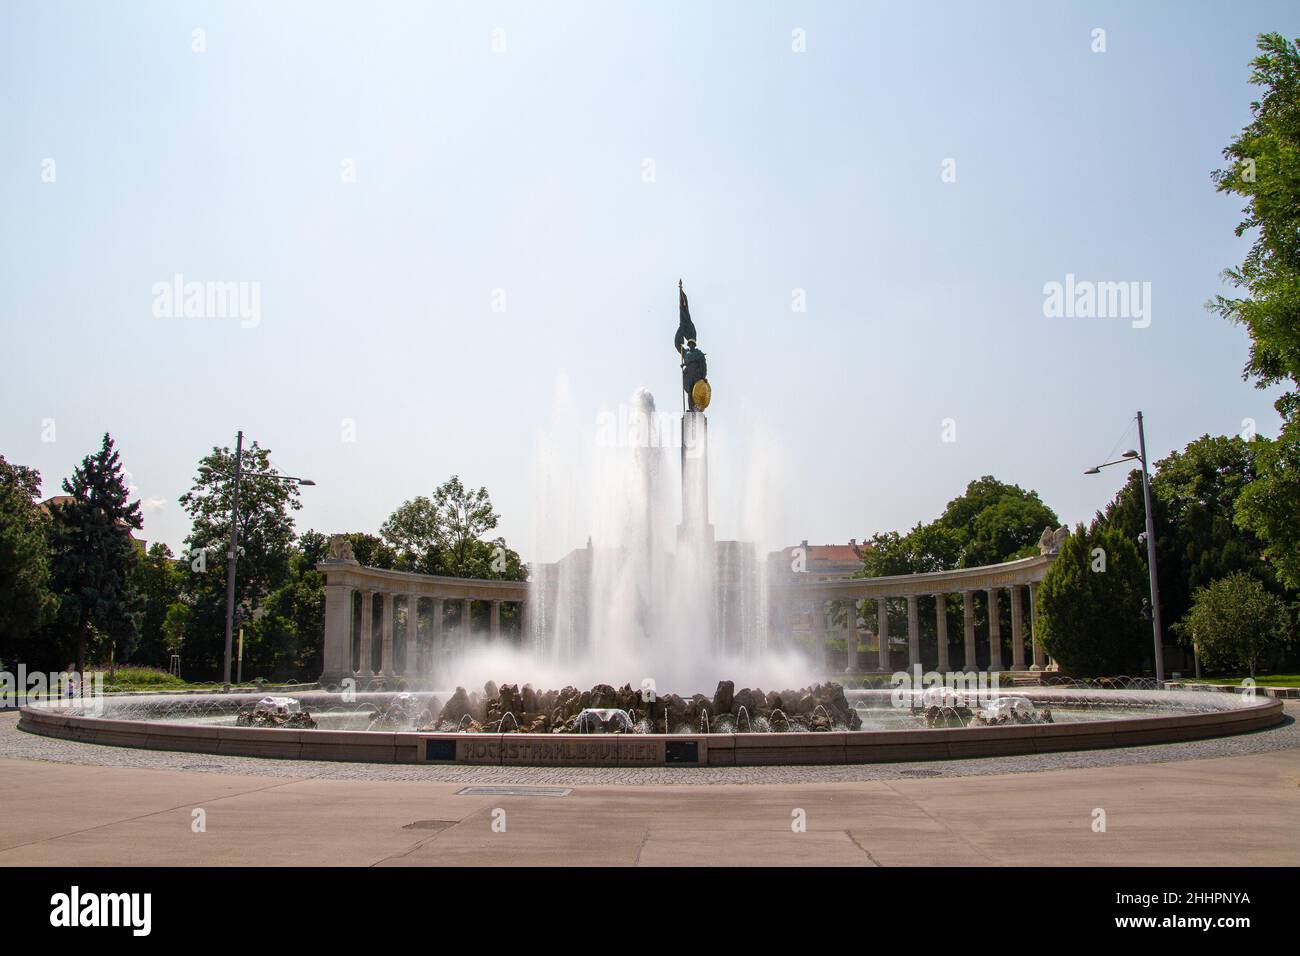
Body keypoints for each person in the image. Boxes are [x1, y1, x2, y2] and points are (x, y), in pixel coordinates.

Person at [682, 338, 707, 410]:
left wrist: (703, 376)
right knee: (690, 393)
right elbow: (677, 345)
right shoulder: (686, 353)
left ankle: (697, 408)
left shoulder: (699, 353)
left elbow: (703, 365)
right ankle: (691, 408)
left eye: (692, 344)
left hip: (697, 376)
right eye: (689, 344)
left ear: (694, 345)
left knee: (697, 393)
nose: (691, 345)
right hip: (689, 376)